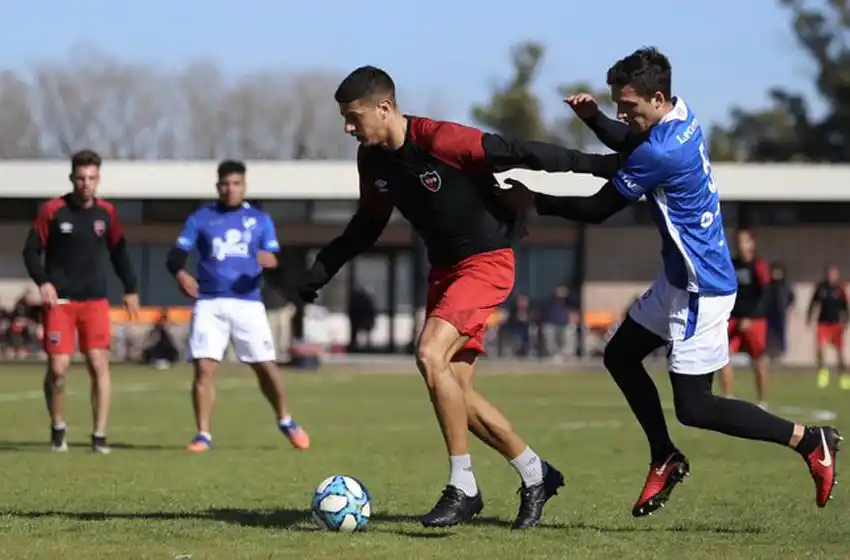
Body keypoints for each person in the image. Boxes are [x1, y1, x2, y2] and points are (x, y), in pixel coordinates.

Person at [503, 47, 841, 516]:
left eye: (629, 106)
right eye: (619, 105)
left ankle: (809, 441)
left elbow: (599, 208)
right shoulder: (680, 118)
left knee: (695, 408)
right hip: (680, 280)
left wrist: (533, 200)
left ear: (657, 97)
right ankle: (664, 455)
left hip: (702, 289)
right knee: (620, 355)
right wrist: (597, 119)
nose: (623, 113)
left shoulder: (663, 150)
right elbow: (630, 140)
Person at [297, 65, 618, 529]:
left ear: (384, 108)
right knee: (456, 395)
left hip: (487, 261)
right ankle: (535, 472)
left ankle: (462, 486)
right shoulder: (373, 160)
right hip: (444, 271)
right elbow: (368, 224)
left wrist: (608, 165)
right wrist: (322, 269)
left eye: (353, 117)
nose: (349, 127)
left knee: (429, 355)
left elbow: (523, 152)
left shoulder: (441, 139)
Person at [165, 160, 310, 453]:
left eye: (236, 183)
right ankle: (203, 434)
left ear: (244, 186)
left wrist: (272, 262)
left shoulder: (260, 220)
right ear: (218, 186)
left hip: (248, 303)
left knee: (265, 367)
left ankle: (286, 420)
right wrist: (180, 273)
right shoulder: (201, 218)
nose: (230, 189)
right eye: (225, 184)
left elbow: (276, 261)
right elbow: (176, 254)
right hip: (209, 302)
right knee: (204, 368)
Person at [22, 149, 140, 454]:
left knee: (98, 363)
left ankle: (99, 436)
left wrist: (130, 288)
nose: (86, 184)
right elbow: (30, 251)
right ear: (72, 178)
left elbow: (120, 252)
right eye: (80, 178)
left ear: (98, 179)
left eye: (91, 178)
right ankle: (58, 425)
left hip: (95, 301)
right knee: (58, 368)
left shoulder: (107, 214)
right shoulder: (53, 211)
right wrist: (44, 282)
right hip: (59, 302)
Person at [720, 230, 772, 408]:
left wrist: (750, 317)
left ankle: (762, 401)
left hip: (755, 321)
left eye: (745, 241)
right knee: (723, 356)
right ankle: (728, 398)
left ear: (752, 244)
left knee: (758, 359)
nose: (741, 245)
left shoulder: (759, 265)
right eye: (739, 241)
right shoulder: (731, 264)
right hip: (733, 318)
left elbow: (765, 294)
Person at [807, 264, 849, 389]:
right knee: (820, 349)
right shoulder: (821, 288)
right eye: (830, 273)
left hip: (836, 324)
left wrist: (846, 322)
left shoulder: (840, 289)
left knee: (840, 354)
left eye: (835, 274)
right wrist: (809, 317)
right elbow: (813, 303)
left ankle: (843, 376)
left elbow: (845, 307)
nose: (832, 276)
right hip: (823, 324)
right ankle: (823, 375)